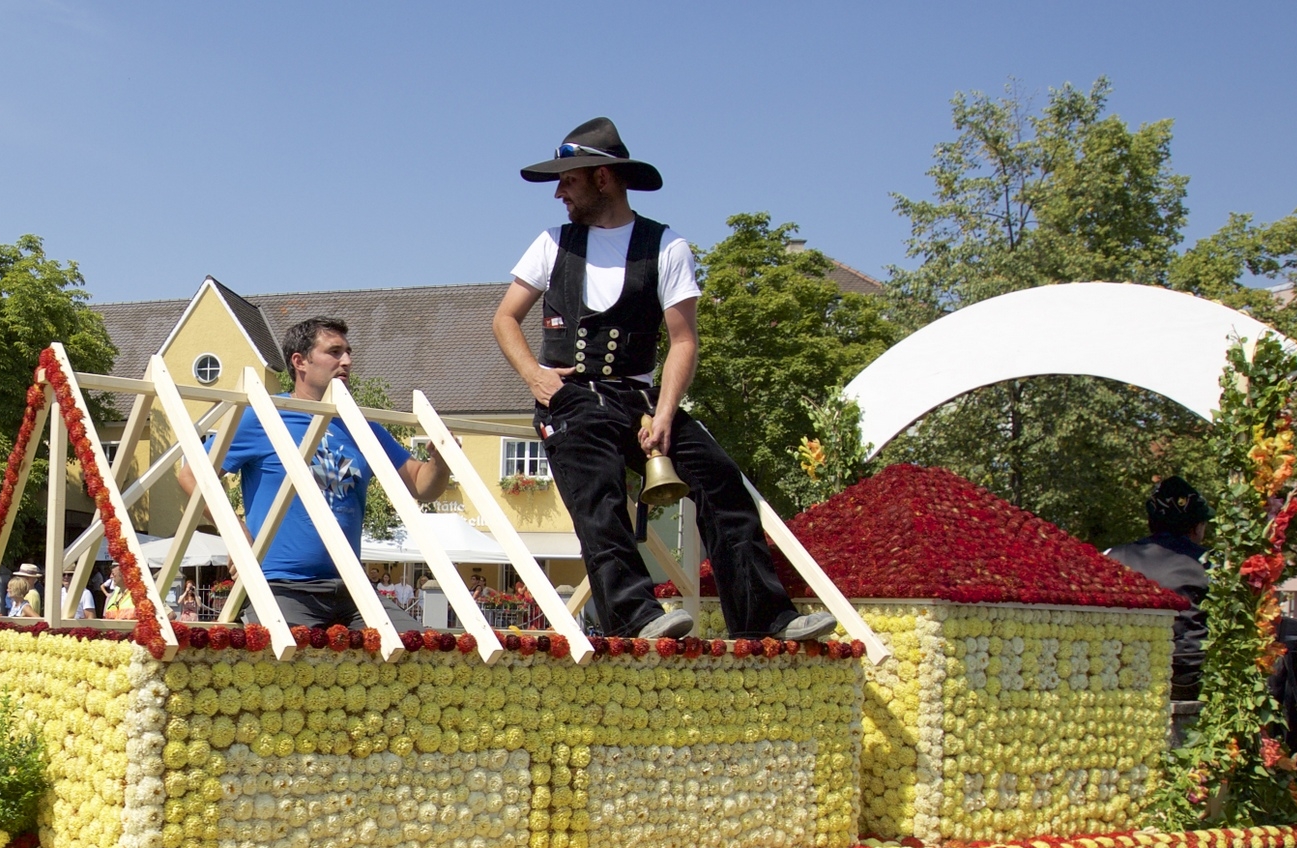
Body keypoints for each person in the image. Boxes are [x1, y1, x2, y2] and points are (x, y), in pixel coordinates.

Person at [493, 117, 834, 643]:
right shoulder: (552, 243)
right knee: (599, 497)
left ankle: (767, 619)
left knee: (720, 479)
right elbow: (504, 318)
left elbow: (684, 341)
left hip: (640, 398)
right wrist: (534, 377)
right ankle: (636, 616)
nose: (559, 192)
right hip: (571, 399)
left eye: (569, 180)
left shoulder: (667, 246)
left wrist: (666, 414)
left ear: (603, 177)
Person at [178, 316, 450, 632]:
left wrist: (441, 460)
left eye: (348, 352)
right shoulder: (265, 416)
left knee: (418, 649)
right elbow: (192, 474)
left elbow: (422, 485)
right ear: (300, 362)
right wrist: (235, 531)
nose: (346, 361)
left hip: (351, 587)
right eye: (334, 352)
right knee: (294, 654)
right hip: (282, 586)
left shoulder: (362, 426)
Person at [1106, 478, 1213, 707]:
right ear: (1197, 527)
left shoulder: (1110, 558)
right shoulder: (1213, 565)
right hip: (1187, 679)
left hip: (1120, 675)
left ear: (1150, 522)